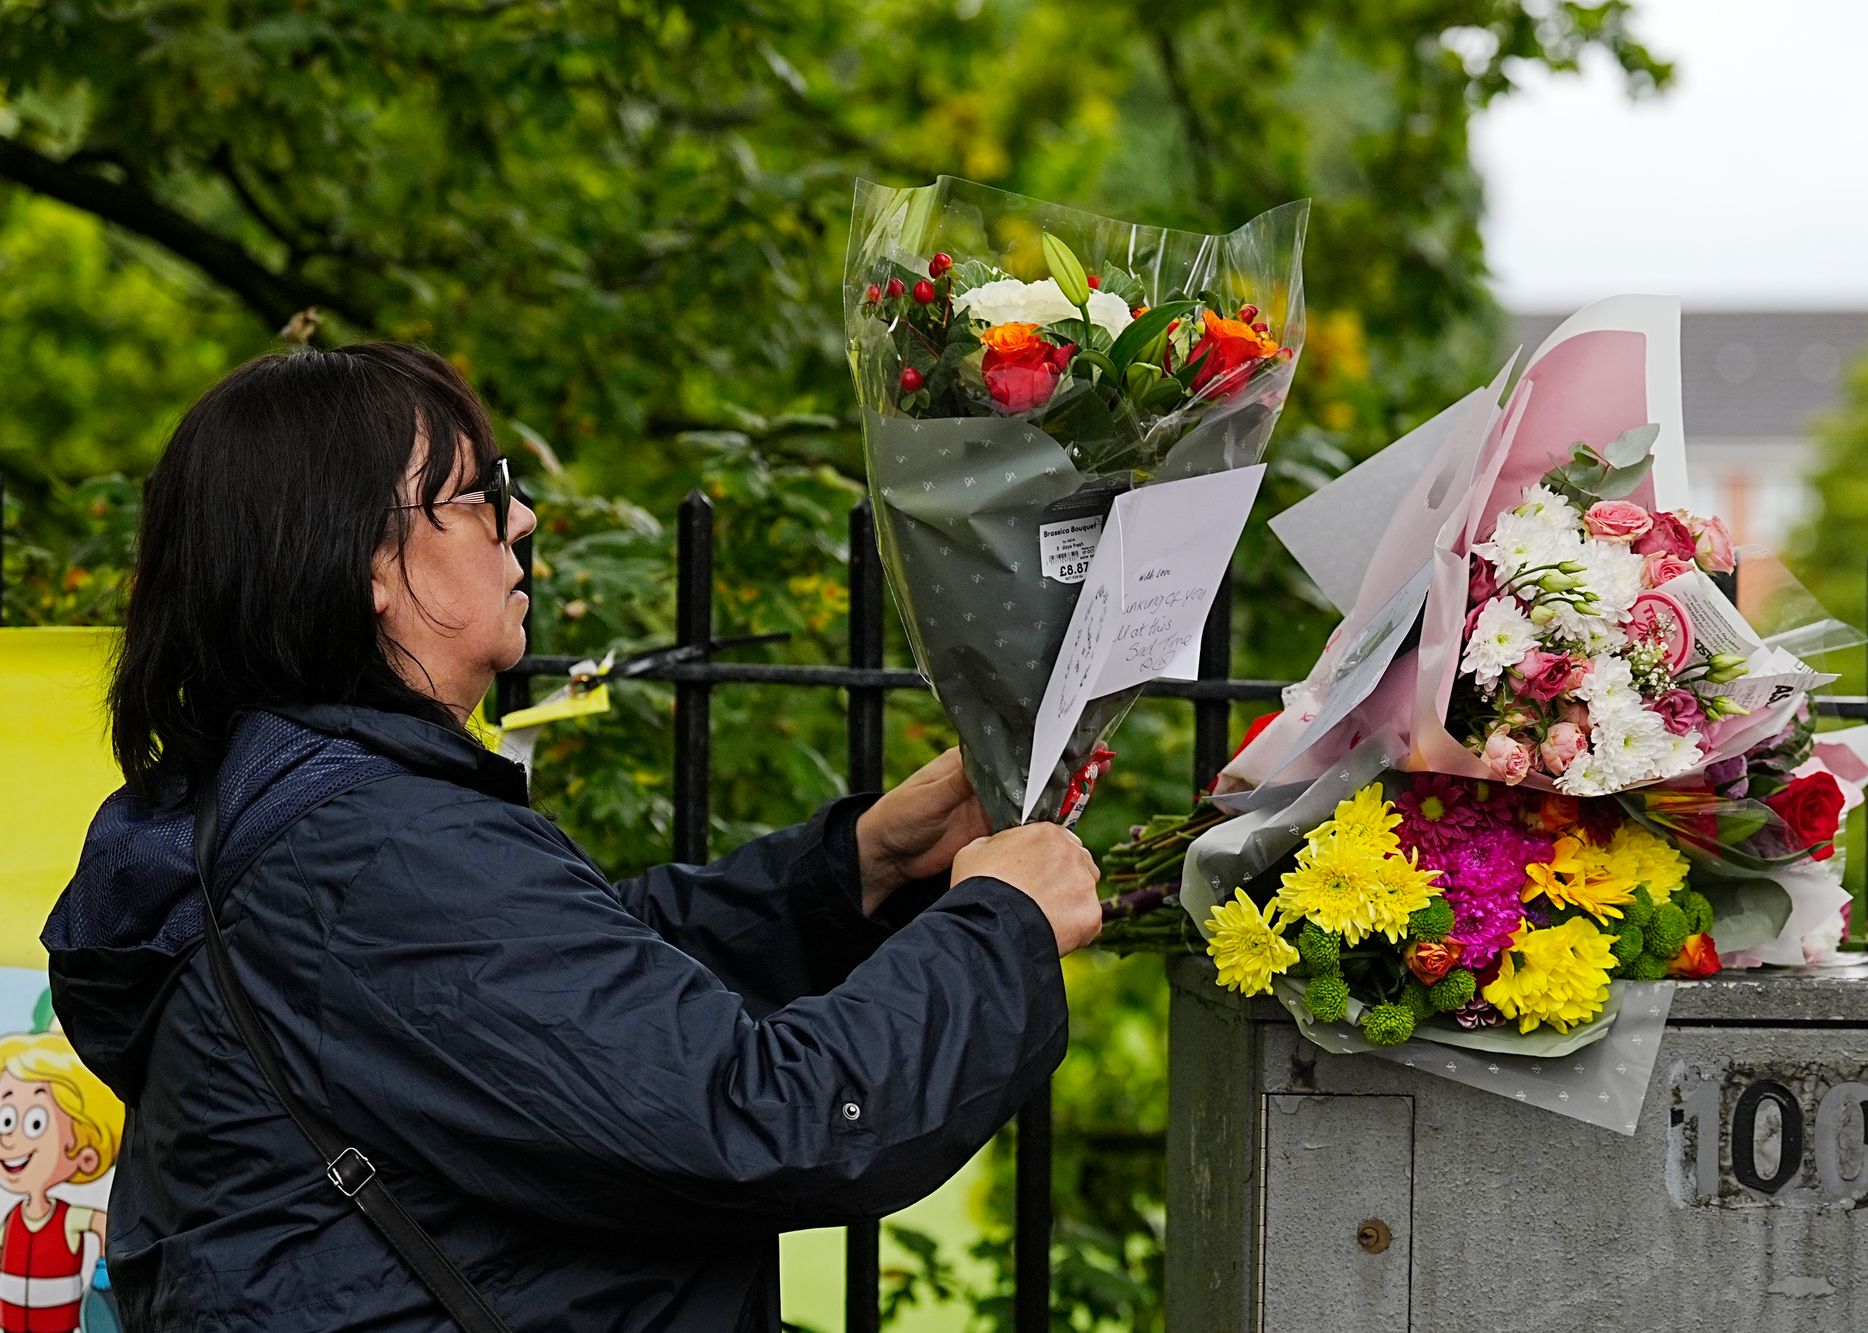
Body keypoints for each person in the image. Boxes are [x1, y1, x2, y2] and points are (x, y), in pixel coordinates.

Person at [41, 344, 1102, 1331]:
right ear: (362, 561)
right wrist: (996, 929)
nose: (524, 520)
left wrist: (863, 862)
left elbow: (587, 980)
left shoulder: (304, 824)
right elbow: (758, 1123)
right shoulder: (373, 861)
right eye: (476, 497)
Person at [0, 1030, 124, 1333]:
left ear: (84, 1154)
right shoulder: (12, 1220)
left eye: (35, 1123)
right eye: (6, 1120)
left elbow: (102, 1225)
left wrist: (104, 1273)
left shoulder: (68, 1219)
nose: (9, 1138)